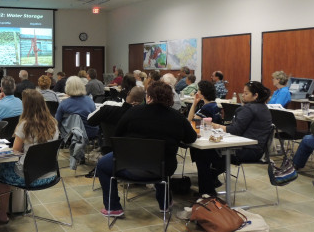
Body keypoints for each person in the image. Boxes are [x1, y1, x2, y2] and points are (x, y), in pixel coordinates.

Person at [96, 81, 197, 216]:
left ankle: (113, 207)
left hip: (128, 167)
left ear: (148, 97)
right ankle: (165, 204)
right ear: (170, 99)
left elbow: (117, 137)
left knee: (102, 165)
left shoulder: (133, 112)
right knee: (161, 159)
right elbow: (191, 138)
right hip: (162, 169)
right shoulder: (177, 117)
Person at [0, 89, 59, 223]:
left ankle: (2, 212)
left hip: (29, 177)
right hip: (51, 174)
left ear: (26, 106)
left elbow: (15, 152)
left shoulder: (25, 125)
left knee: (3, 170)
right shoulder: (53, 122)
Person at [194, 81, 272, 195]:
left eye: (246, 93)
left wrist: (215, 126)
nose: (243, 96)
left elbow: (235, 130)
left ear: (255, 95)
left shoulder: (249, 109)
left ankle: (207, 193)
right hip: (257, 149)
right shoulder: (264, 108)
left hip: (247, 150)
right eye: (243, 93)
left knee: (202, 154)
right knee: (211, 154)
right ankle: (210, 182)